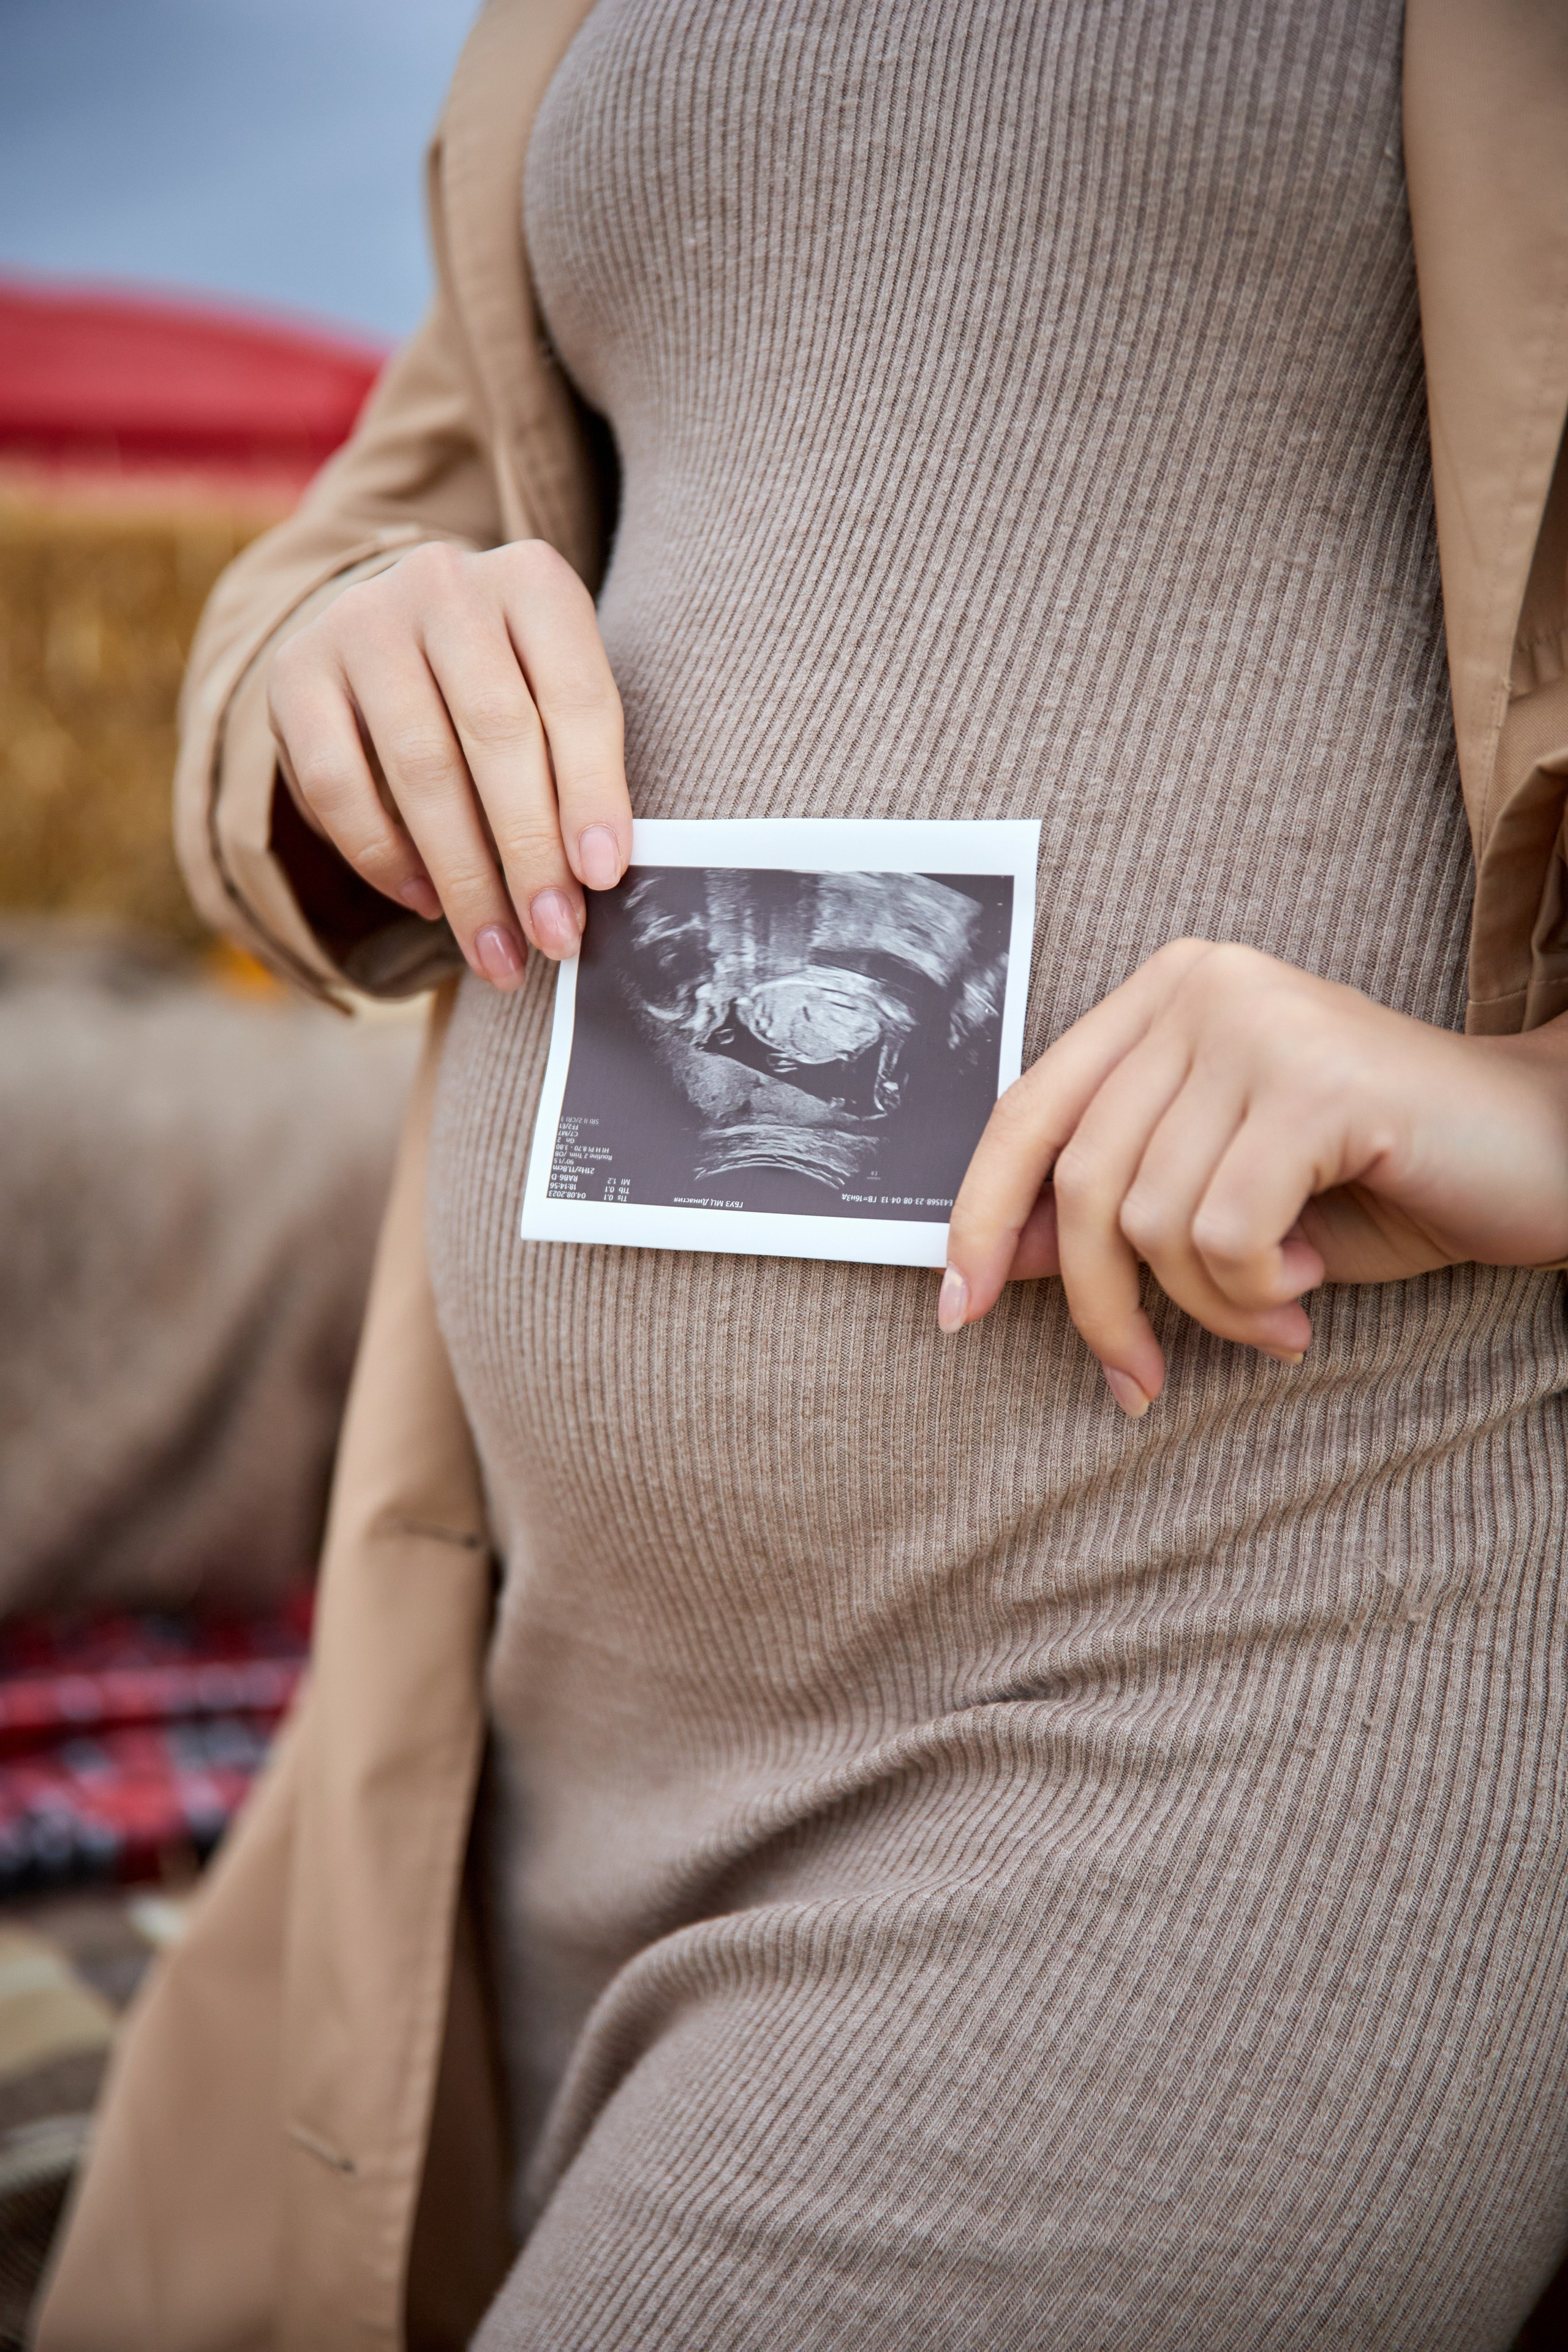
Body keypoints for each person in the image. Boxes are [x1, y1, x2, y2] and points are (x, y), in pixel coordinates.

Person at [38, 2, 1568, 2348]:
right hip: (537, 1715)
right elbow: (368, 530)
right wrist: (331, 668)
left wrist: (1546, 1111)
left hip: (1257, 1671)